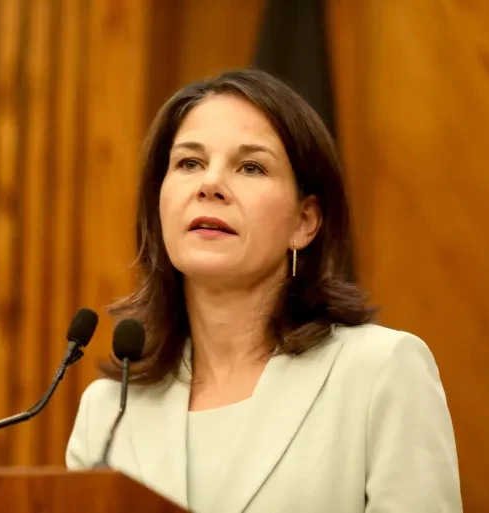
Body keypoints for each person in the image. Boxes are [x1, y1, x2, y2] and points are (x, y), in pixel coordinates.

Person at [65, 68, 462, 513]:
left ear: (304, 222)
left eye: (250, 167)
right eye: (189, 163)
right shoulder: (110, 411)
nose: (210, 185)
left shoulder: (379, 372)